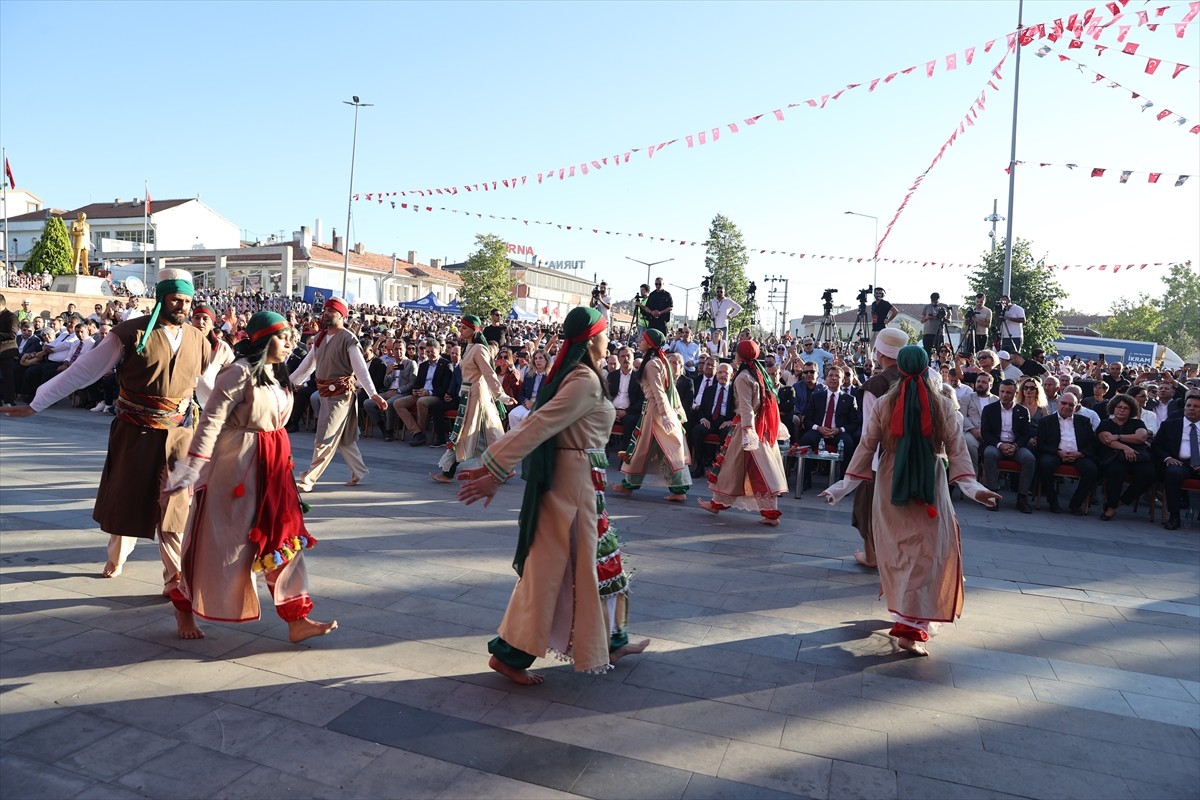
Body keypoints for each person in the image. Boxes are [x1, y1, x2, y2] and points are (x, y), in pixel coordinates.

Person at [458, 306, 648, 683]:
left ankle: (613, 639)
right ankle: (511, 655)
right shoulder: (584, 381)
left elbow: (538, 421)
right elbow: (540, 423)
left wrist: (495, 464)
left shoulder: (579, 375)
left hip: (582, 484)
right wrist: (495, 467)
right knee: (551, 572)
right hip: (571, 487)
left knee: (599, 566)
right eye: (606, 333)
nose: (610, 340)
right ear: (593, 339)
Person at [1, 268, 211, 590]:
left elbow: (210, 384)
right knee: (128, 501)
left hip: (179, 436)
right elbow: (84, 371)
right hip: (135, 432)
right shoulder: (130, 334)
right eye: (176, 299)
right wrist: (37, 403)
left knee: (175, 508)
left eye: (187, 300)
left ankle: (174, 579)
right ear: (162, 298)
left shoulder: (198, 339)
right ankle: (116, 556)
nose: (183, 307)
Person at [164, 312, 337, 643]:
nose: (290, 342)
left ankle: (296, 617)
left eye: (292, 336)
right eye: (282, 336)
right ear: (261, 340)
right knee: (224, 548)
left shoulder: (277, 375)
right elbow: (210, 421)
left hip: (274, 469)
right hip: (234, 470)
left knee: (286, 539)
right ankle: (183, 603)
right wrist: (191, 468)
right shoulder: (237, 373)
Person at [820, 345, 1000, 656]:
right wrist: (975, 489)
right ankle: (911, 627)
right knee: (929, 554)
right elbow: (958, 453)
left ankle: (905, 618)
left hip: (890, 483)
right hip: (930, 483)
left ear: (900, 369)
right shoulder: (944, 405)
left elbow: (865, 448)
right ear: (927, 368)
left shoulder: (883, 404)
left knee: (899, 552)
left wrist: (842, 486)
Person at [289, 297, 387, 492]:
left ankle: (309, 479)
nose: (325, 314)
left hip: (341, 395)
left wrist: (373, 394)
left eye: (331, 311)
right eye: (325, 311)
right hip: (325, 394)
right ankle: (359, 471)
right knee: (343, 439)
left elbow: (360, 370)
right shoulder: (320, 338)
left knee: (324, 437)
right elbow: (306, 367)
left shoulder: (348, 338)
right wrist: (288, 383)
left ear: (341, 315)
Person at [697, 340, 788, 525]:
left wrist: (748, 432)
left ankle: (718, 505)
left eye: (736, 352)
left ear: (740, 355)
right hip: (756, 426)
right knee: (759, 469)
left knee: (731, 467)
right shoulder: (758, 374)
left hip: (747, 427)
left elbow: (746, 407)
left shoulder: (742, 377)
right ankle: (767, 512)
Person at [848, 327, 907, 568]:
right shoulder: (927, 378)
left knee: (868, 508)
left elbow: (869, 433)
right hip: (919, 457)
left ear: (879, 353)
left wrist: (862, 468)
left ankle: (873, 556)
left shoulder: (876, 384)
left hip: (882, 460)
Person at [612, 328, 691, 502]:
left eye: (643, 339)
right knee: (664, 449)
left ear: (650, 343)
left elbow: (659, 392)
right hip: (655, 410)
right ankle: (678, 489)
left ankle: (629, 485)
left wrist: (665, 414)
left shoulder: (651, 363)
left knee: (642, 448)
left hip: (655, 411)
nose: (640, 341)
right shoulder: (659, 361)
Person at [432, 314, 511, 483]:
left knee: (465, 433)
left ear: (474, 330)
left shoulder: (479, 349)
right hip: (468, 394)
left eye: (464, 328)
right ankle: (505, 468)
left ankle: (448, 472)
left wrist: (500, 395)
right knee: (488, 432)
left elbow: (489, 373)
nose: (461, 330)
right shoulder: (469, 348)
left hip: (477, 395)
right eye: (460, 327)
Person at [1036, 392, 1100, 515]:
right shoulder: (1046, 421)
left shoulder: (1084, 421)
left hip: (1078, 455)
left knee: (1092, 470)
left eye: (1071, 404)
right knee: (1044, 465)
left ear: (1076, 407)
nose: (1067, 407)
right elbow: (1041, 444)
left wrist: (1080, 454)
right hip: (1055, 454)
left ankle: (1076, 504)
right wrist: (1057, 452)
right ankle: (1053, 502)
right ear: (1057, 404)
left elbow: (1093, 444)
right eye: (1064, 403)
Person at [1095, 393, 1155, 522]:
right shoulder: (1106, 423)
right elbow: (1106, 440)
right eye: (1119, 407)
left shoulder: (1137, 423)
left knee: (1149, 474)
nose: (1122, 410)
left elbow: (1141, 437)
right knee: (1115, 472)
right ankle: (1111, 507)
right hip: (1114, 456)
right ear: (1113, 408)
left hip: (1137, 457)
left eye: (1125, 408)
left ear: (1131, 410)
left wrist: (1118, 437)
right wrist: (1126, 447)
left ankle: (1121, 501)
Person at [981, 379, 1036, 513]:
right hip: (996, 444)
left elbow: (1025, 434)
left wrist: (1016, 446)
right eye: (1002, 391)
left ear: (1015, 393)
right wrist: (1000, 445)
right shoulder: (989, 409)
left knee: (1029, 458)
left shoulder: (1022, 411)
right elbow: (985, 433)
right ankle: (993, 495)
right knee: (989, 454)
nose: (1005, 395)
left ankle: (1022, 497)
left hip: (1016, 446)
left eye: (1008, 392)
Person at [1153, 392, 1200, 530]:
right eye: (1189, 405)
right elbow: (1156, 446)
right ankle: (1174, 516)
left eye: (1196, 406)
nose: (1191, 408)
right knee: (1172, 474)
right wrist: (1168, 458)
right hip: (1179, 463)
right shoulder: (1170, 425)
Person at [191, 304, 236, 410]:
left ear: (212, 323)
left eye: (205, 318)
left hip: (214, 404)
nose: (200, 322)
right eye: (197, 318)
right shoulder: (183, 343)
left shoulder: (222, 347)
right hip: (186, 402)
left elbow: (235, 375)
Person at [507, 350, 549, 430]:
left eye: (540, 358)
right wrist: (526, 401)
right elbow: (521, 394)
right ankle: (515, 438)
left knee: (525, 417)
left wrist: (536, 405)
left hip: (540, 406)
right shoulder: (529, 375)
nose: (538, 360)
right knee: (512, 415)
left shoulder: (549, 377)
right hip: (527, 404)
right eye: (536, 358)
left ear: (546, 360)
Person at [707, 285, 743, 357]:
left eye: (721, 291)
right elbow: (704, 308)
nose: (719, 293)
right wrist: (709, 314)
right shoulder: (712, 301)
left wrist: (731, 315)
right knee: (713, 344)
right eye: (718, 291)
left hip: (723, 326)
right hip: (714, 325)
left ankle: (724, 358)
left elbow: (739, 308)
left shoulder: (728, 301)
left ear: (724, 292)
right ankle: (712, 358)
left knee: (723, 344)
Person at [868, 287, 898, 354]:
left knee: (881, 345)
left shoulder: (885, 303)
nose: (878, 295)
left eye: (880, 293)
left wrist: (889, 320)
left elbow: (895, 311)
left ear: (882, 294)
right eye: (876, 293)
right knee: (870, 346)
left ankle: (880, 361)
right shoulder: (873, 304)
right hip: (874, 327)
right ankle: (870, 360)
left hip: (882, 327)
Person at [0, 294, 17, 406]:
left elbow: (12, 334)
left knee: (8, 377)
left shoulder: (11, 316)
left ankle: (9, 401)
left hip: (7, 351)